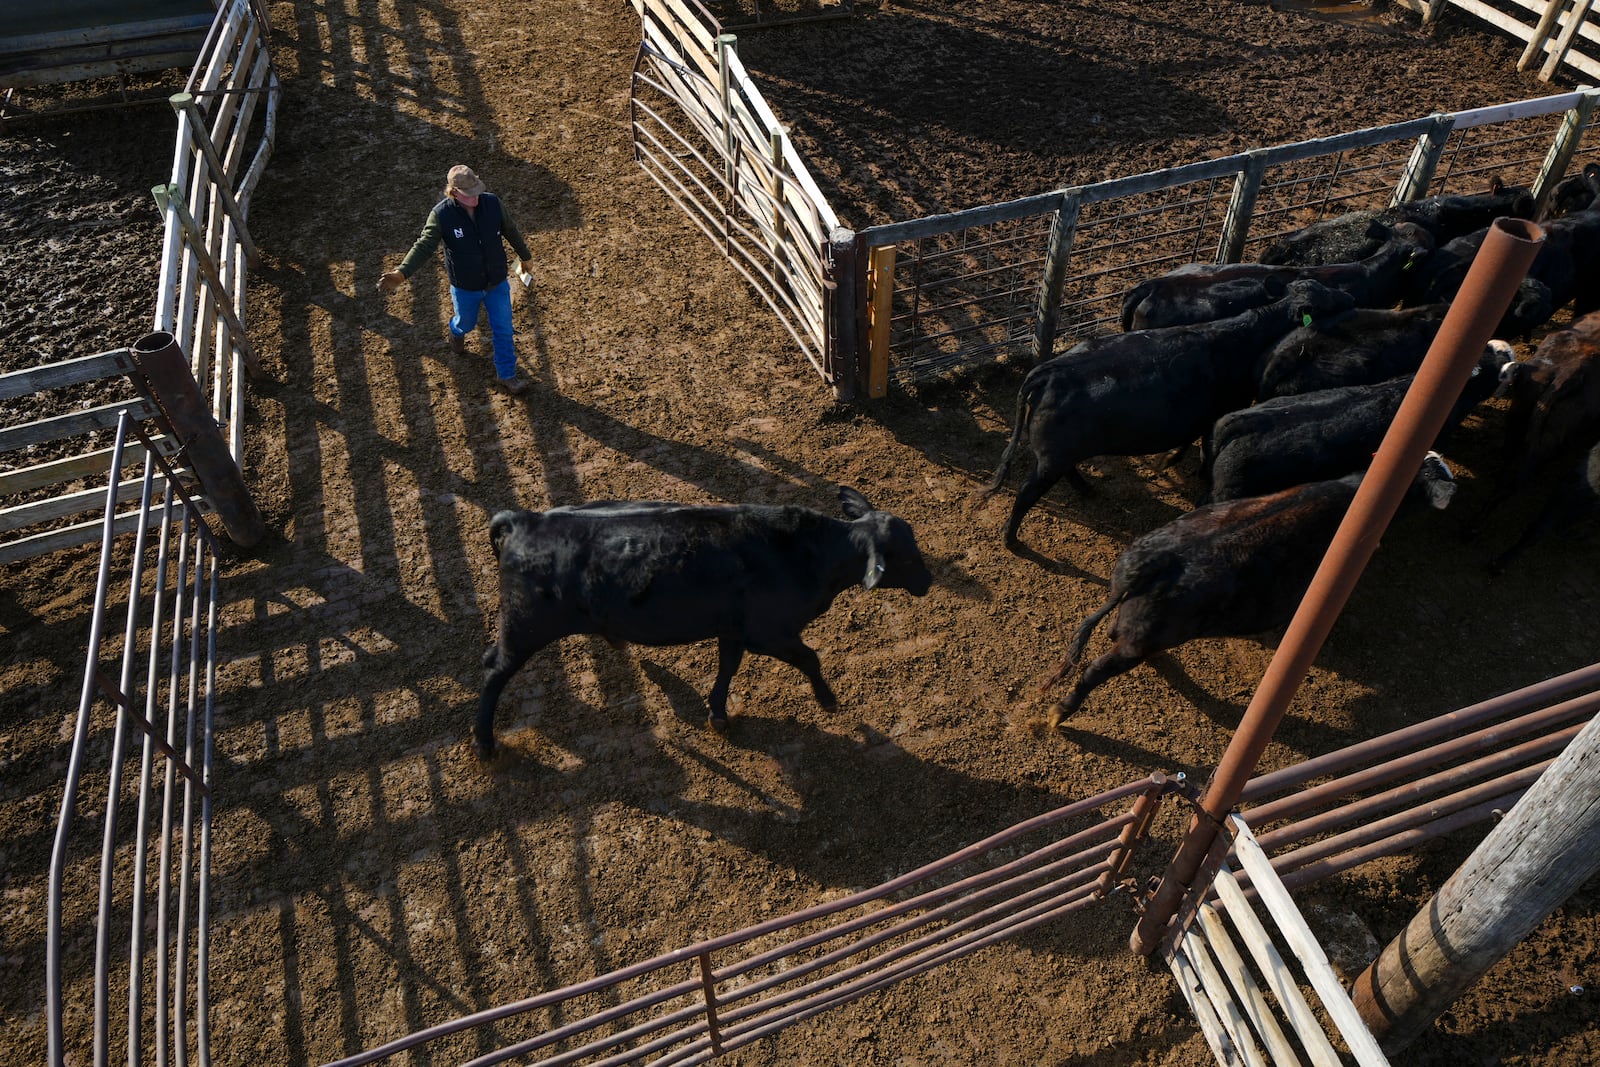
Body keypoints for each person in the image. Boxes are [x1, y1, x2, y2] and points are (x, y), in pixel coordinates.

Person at [379, 164, 535, 395]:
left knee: (503, 329)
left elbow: (510, 229)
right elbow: (423, 246)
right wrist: (402, 273)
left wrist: (525, 257)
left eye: (477, 190)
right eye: (469, 194)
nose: (475, 197)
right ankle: (456, 330)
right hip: (466, 286)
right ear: (454, 193)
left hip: (496, 281)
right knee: (467, 322)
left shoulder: (492, 203)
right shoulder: (442, 215)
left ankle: (507, 375)